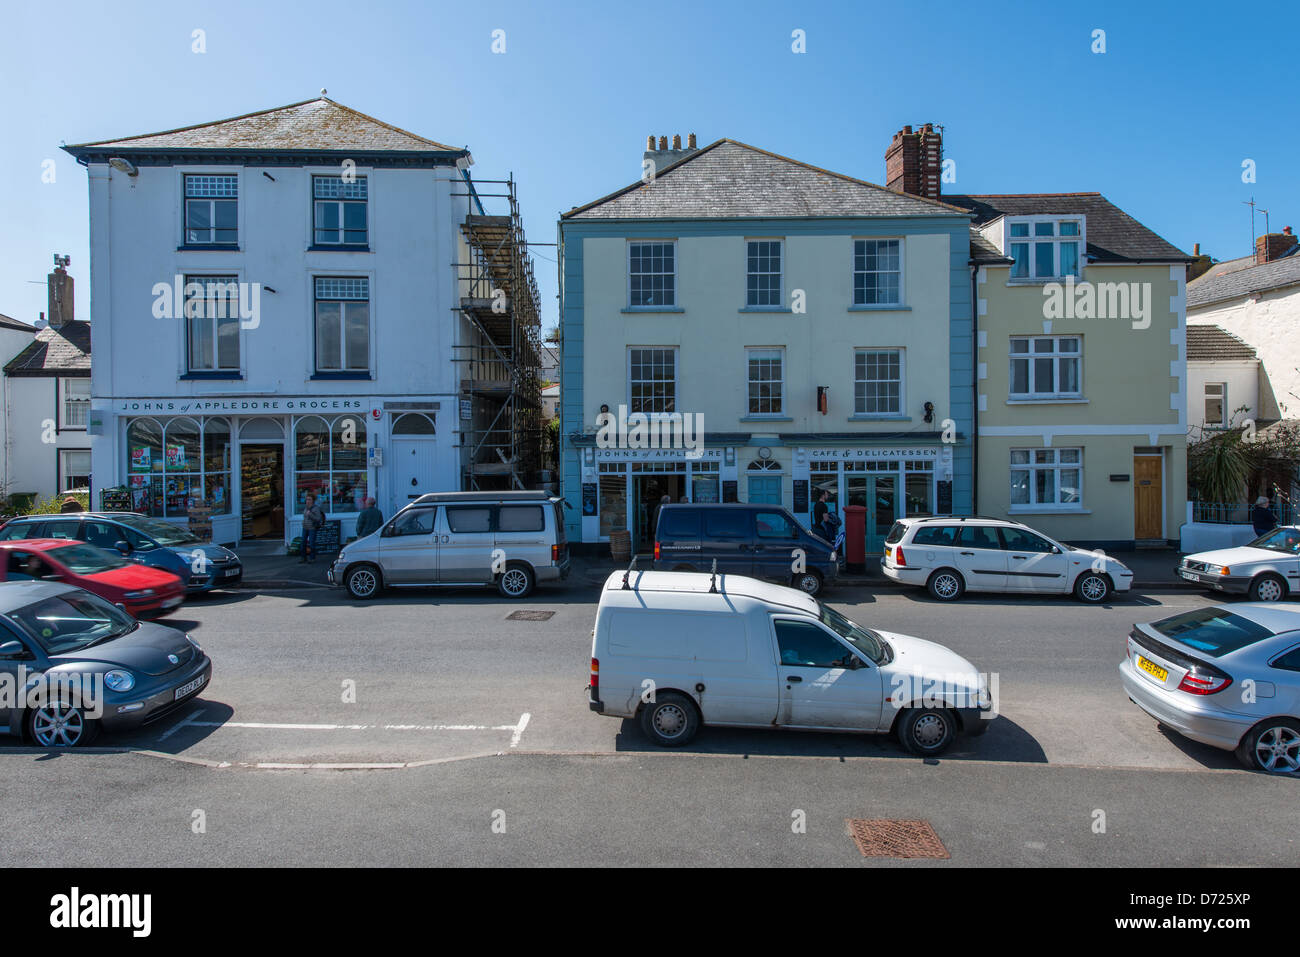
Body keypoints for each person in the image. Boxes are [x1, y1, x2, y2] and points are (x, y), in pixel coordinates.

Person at [301, 493, 325, 563]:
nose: (307, 501)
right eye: (307, 499)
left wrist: (310, 514)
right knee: (303, 543)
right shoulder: (306, 508)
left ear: (313, 500)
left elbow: (318, 519)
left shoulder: (316, 508)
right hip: (305, 527)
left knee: (312, 544)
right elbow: (305, 517)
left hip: (312, 528)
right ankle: (303, 557)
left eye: (309, 499)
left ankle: (312, 558)